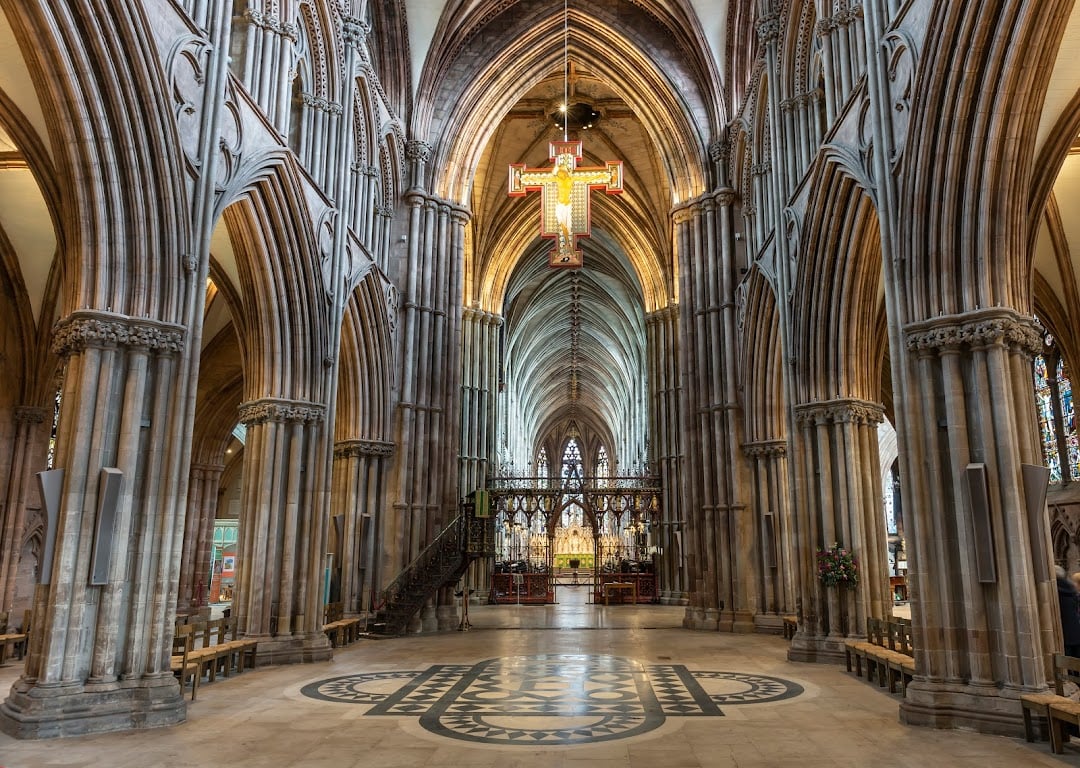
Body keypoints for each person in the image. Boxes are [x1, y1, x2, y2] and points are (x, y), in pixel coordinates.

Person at [1057, 566, 1080, 658]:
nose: (1073, 584)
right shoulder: (1073, 593)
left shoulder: (1059, 591)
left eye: (1074, 582)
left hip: (1067, 637)